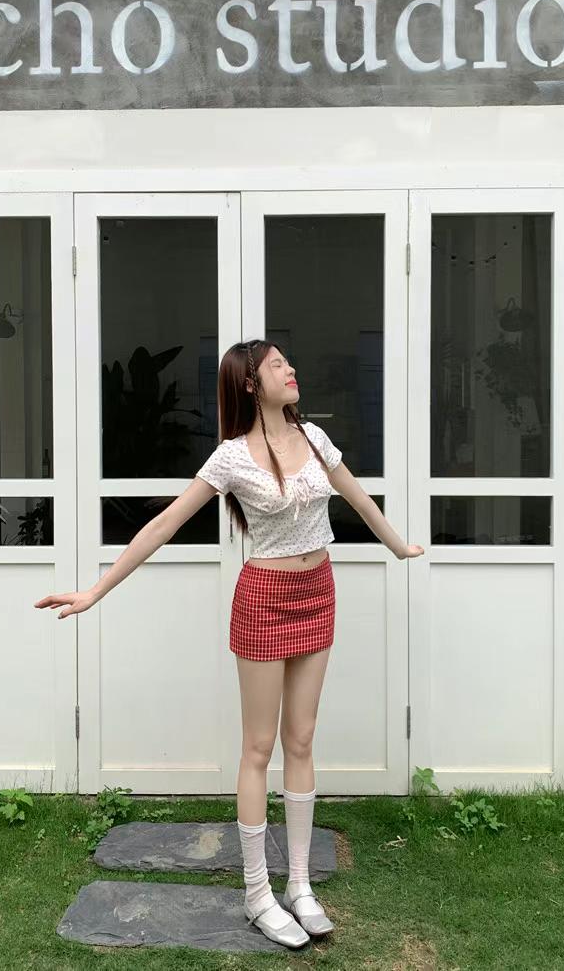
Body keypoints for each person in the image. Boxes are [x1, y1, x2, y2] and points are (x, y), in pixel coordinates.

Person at [34, 338, 424, 950]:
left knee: (302, 739)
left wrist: (399, 547)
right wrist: (97, 590)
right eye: (277, 365)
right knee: (259, 747)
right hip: (264, 599)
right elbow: (165, 523)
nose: (291, 369)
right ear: (249, 383)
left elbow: (357, 497)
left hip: (318, 592)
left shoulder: (315, 438)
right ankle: (257, 893)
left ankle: (300, 885)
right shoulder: (232, 457)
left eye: (288, 361)